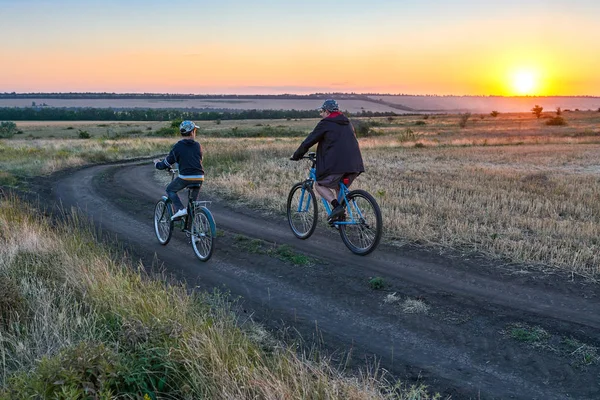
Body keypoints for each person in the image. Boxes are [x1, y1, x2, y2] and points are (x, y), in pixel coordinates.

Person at [291, 99, 365, 222]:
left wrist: (297, 155)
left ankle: (337, 207)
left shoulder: (326, 123)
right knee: (339, 187)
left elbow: (309, 141)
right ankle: (341, 220)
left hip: (336, 165)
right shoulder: (347, 123)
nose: (321, 114)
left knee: (319, 184)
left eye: (321, 111)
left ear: (327, 111)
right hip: (355, 165)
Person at [154, 120, 205, 220]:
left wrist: (157, 164)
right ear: (192, 132)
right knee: (192, 206)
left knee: (170, 189)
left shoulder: (178, 146)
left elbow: (166, 163)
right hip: (199, 177)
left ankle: (180, 209)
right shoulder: (198, 145)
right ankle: (193, 230)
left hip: (185, 177)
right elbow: (199, 159)